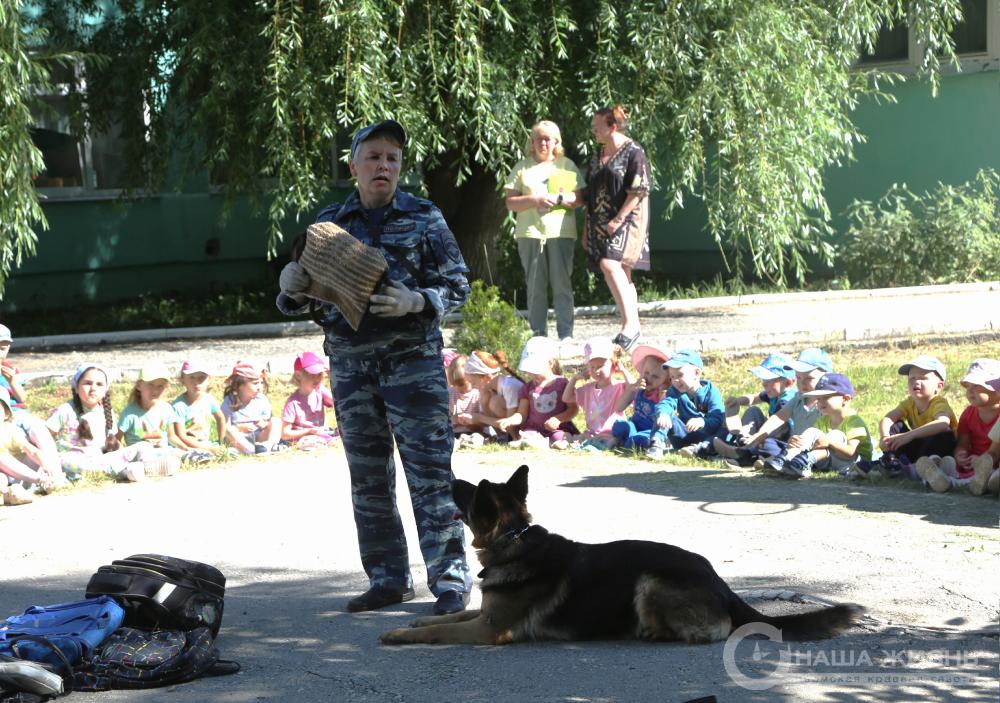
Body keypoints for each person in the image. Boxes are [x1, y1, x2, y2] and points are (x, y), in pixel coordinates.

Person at [275, 119, 472, 615]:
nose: (384, 165)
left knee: (430, 475)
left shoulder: (426, 217)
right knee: (368, 478)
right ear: (354, 165)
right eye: (374, 157)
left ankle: (450, 582)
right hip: (351, 368)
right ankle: (387, 578)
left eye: (393, 159)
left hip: (414, 367)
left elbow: (457, 284)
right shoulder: (328, 226)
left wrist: (417, 300)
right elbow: (301, 299)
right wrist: (290, 286)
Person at [504, 120, 584, 341]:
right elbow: (510, 203)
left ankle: (566, 335)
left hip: (561, 232)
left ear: (556, 142)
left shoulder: (566, 165)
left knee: (562, 285)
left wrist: (557, 198)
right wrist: (535, 199)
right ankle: (538, 336)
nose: (543, 143)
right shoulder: (522, 167)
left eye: (548, 139)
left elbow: (579, 198)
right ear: (532, 141)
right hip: (530, 233)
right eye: (538, 138)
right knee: (535, 287)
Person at [584, 105, 651, 352]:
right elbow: (590, 193)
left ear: (612, 126)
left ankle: (630, 324)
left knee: (609, 264)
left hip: (629, 217)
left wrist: (618, 219)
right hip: (600, 221)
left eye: (597, 126)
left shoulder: (634, 152)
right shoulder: (597, 154)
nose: (593, 131)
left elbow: (639, 189)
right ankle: (633, 330)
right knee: (621, 270)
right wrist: (586, 229)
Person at [719, 347, 832, 469]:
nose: (802, 383)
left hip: (816, 450)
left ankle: (755, 456)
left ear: (827, 376)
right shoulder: (799, 398)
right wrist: (759, 435)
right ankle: (753, 454)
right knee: (767, 443)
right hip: (792, 446)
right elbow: (778, 417)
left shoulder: (828, 402)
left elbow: (836, 429)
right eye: (799, 377)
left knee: (767, 444)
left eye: (809, 378)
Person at [45, 364, 149, 483]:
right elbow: (43, 435)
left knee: (143, 446)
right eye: (87, 383)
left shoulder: (106, 412)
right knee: (67, 460)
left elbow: (114, 444)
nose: (93, 388)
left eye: (99, 384)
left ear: (105, 391)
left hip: (101, 458)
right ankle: (124, 471)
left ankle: (146, 467)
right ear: (77, 388)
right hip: (76, 462)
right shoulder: (65, 410)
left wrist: (122, 453)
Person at [762, 373, 873, 479]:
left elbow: (851, 452)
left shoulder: (854, 421)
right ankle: (787, 458)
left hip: (853, 464)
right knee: (812, 431)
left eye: (826, 397)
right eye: (818, 399)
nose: (820, 402)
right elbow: (817, 444)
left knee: (835, 435)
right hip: (829, 460)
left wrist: (829, 442)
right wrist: (795, 442)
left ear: (845, 399)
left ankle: (804, 462)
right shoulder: (823, 420)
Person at [916, 358, 1000, 493]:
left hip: (991, 462)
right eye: (968, 386)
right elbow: (962, 442)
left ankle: (950, 482)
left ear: (996, 390)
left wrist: (982, 460)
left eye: (976, 386)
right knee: (950, 462)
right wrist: (960, 454)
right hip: (971, 462)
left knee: (988, 470)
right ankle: (937, 472)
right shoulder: (968, 414)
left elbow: (994, 453)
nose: (970, 391)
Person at [874, 356, 957, 479]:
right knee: (895, 424)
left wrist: (908, 436)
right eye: (912, 378)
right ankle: (892, 461)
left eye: (923, 378)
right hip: (919, 448)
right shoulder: (910, 402)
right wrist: (884, 437)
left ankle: (929, 465)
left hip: (939, 448)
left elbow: (943, 423)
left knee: (945, 433)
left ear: (939, 386)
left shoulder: (939, 403)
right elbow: (888, 419)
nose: (916, 382)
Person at [710, 352, 797, 460]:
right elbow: (754, 398)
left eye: (769, 380)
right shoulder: (775, 393)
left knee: (767, 445)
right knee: (753, 410)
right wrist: (738, 401)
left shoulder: (787, 401)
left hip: (784, 441)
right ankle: (743, 441)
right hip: (769, 434)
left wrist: (758, 437)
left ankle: (746, 452)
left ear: (788, 383)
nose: (764, 384)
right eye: (764, 380)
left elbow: (780, 430)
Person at [501, 336, 579, 450]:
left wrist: (559, 419)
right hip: (534, 429)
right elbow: (522, 414)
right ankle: (533, 442)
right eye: (529, 370)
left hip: (558, 428)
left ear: (550, 363)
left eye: (535, 369)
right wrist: (510, 420)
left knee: (559, 437)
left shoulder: (562, 384)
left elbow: (573, 409)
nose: (532, 374)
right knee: (527, 436)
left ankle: (561, 442)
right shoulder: (527, 388)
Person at [562, 337, 632, 450]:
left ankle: (599, 445)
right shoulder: (588, 390)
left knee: (611, 440)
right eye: (592, 367)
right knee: (580, 438)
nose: (596, 370)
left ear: (614, 365)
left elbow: (635, 388)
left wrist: (623, 371)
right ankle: (585, 444)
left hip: (613, 433)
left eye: (601, 366)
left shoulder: (619, 386)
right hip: (593, 433)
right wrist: (574, 379)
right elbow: (566, 398)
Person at [117, 364, 184, 475]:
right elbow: (117, 440)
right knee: (144, 447)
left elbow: (172, 437)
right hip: (140, 455)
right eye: (151, 385)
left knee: (178, 453)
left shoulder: (167, 409)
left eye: (160, 386)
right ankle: (145, 468)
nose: (155, 390)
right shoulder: (129, 414)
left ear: (166, 387)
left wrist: (185, 448)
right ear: (139, 385)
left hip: (162, 452)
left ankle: (161, 466)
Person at [611, 343, 674, 457]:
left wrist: (664, 391)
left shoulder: (663, 393)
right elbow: (618, 407)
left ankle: (648, 443)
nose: (649, 378)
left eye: (655, 377)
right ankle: (629, 440)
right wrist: (631, 389)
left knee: (641, 438)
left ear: (666, 380)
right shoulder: (639, 388)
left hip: (651, 430)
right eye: (646, 373)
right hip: (635, 425)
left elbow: (666, 406)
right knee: (621, 426)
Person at [663, 349, 726, 457]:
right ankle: (657, 443)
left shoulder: (711, 392)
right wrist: (663, 414)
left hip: (708, 435)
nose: (675, 381)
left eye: (680, 375)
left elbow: (717, 418)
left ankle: (703, 449)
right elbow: (667, 404)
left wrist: (703, 422)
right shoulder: (674, 391)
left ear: (697, 373)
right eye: (672, 377)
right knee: (668, 417)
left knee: (726, 425)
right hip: (686, 434)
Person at [221, 361, 283, 455]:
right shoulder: (229, 401)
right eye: (255, 383)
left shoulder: (261, 400)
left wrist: (263, 424)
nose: (259, 387)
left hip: (258, 437)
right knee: (230, 430)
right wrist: (238, 428)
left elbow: (266, 421)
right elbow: (225, 427)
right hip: (239, 440)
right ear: (240, 385)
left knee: (276, 421)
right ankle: (250, 451)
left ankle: (268, 446)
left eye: (261, 383)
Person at [170, 359, 228, 458]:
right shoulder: (179, 406)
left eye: (201, 378)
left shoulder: (209, 399)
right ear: (182, 379)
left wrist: (222, 442)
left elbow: (220, 418)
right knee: (191, 455)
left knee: (232, 451)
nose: (196, 382)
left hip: (205, 442)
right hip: (187, 445)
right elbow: (181, 436)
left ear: (209, 379)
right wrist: (208, 448)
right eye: (191, 377)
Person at [463, 350, 525, 441]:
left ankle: (517, 439)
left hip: (524, 428)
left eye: (473, 383)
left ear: (487, 377)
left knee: (495, 402)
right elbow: (498, 428)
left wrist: (479, 418)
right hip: (509, 431)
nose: (473, 387)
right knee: (491, 401)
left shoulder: (509, 386)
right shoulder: (489, 391)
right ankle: (506, 439)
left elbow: (510, 425)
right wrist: (484, 405)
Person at [281, 352, 338, 450]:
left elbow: (338, 404)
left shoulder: (320, 392)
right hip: (304, 437)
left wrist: (329, 376)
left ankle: (328, 441)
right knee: (310, 441)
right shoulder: (293, 402)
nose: (317, 378)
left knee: (344, 433)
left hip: (321, 433)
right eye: (312, 374)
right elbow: (285, 434)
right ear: (299, 375)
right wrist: (309, 431)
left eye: (320, 374)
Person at [446, 354, 485, 447]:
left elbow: (485, 422)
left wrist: (472, 423)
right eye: (457, 386)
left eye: (464, 386)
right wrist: (454, 419)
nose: (461, 390)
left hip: (475, 432)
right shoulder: (450, 393)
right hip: (454, 432)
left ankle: (468, 442)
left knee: (477, 437)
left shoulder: (478, 393)